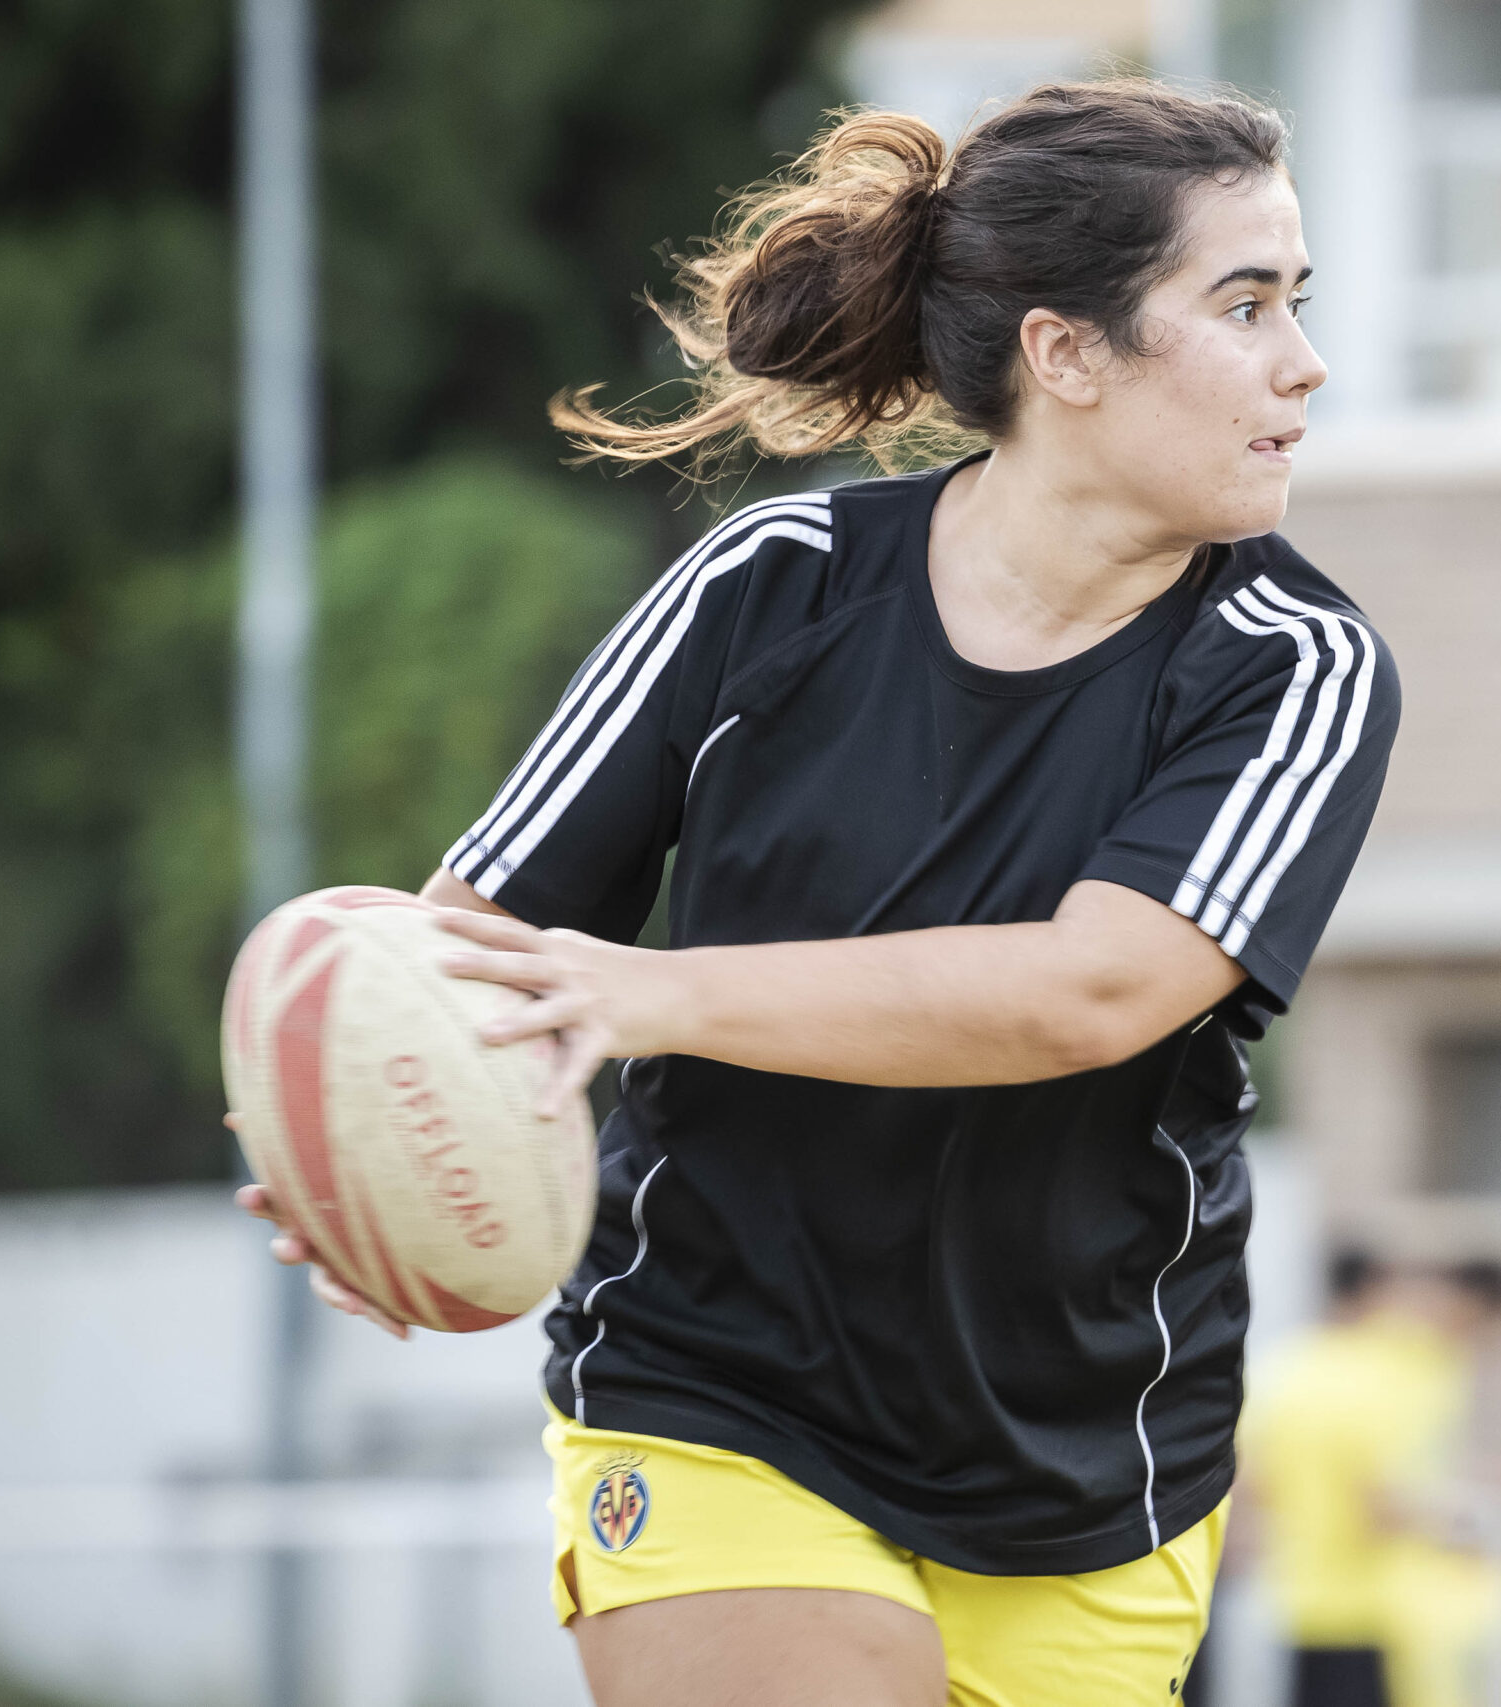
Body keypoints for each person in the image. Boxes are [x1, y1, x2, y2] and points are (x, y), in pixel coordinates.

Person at [235, 79, 1399, 1707]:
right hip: (717, 1390)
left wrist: (653, 992)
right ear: (1066, 352)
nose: (1305, 362)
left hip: (1088, 1474)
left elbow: (1096, 991)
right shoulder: (770, 581)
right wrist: (376, 1109)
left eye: (1298, 302)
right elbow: (474, 944)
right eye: (1246, 304)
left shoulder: (1293, 667)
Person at [1241, 1250, 1501, 1707]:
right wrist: (1462, 1528)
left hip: (1302, 1599)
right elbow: (1383, 1504)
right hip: (1383, 1612)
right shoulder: (1395, 1374)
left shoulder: (1292, 1367)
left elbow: (1253, 1482)